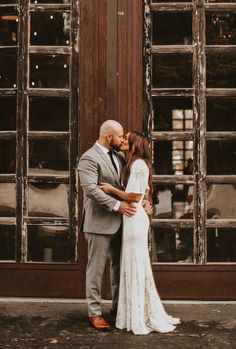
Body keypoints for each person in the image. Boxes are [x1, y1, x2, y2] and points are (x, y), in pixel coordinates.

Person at [99, 131, 180, 335]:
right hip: (132, 218)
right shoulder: (134, 164)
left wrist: (111, 190)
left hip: (135, 219)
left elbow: (135, 196)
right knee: (133, 263)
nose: (123, 140)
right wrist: (146, 201)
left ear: (135, 144)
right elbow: (144, 194)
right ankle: (133, 313)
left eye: (126, 138)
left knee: (135, 263)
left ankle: (138, 315)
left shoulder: (138, 165)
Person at [78, 120, 152, 331]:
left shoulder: (121, 156)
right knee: (96, 269)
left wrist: (145, 200)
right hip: (100, 223)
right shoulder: (88, 158)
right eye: (120, 136)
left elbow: (133, 185)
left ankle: (118, 308)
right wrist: (117, 206)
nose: (122, 140)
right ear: (109, 136)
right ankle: (94, 313)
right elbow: (91, 190)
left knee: (119, 268)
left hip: (124, 223)